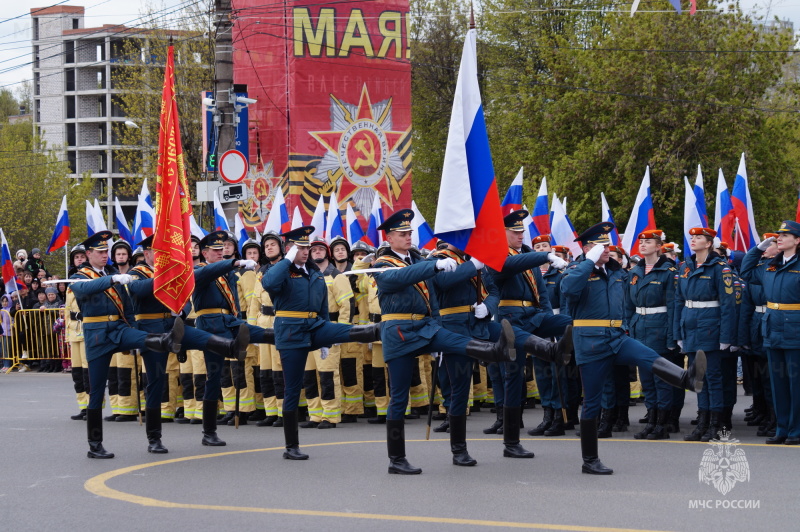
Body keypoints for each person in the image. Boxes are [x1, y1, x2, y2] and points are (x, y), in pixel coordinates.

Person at [370, 209, 519, 475]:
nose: (408, 237)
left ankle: (494, 350)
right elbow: (395, 281)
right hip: (400, 330)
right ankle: (396, 458)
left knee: (456, 341)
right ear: (389, 238)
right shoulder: (382, 262)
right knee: (399, 397)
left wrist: (436, 322)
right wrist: (432, 265)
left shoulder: (417, 258)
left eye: (409, 233)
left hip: (426, 326)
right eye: (402, 234)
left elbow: (433, 301)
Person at [561, 222, 706, 475]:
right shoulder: (577, 269)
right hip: (591, 341)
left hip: (616, 336)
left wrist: (626, 325)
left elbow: (626, 301)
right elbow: (568, 289)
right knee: (593, 402)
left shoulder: (618, 271)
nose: (606, 249)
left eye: (607, 245)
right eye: (600, 246)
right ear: (586, 248)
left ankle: (687, 379)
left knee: (648, 356)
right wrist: (587, 261)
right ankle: (590, 459)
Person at [262, 226, 382, 460]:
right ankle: (291, 446)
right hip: (290, 332)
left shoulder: (315, 272)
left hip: (315, 326)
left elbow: (322, 305)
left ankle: (379, 331)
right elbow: (269, 283)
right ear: (289, 249)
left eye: (307, 247)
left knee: (351, 331)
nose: (306, 251)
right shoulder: (282, 272)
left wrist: (326, 337)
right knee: (293, 389)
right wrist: (286, 260)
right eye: (300, 247)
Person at [127, 235, 251, 453]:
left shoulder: (167, 273)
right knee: (156, 383)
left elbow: (184, 297)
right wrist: (166, 277)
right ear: (146, 254)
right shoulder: (136, 273)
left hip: (175, 325)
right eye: (158, 253)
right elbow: (138, 290)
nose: (163, 257)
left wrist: (181, 311)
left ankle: (231, 347)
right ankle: (154, 438)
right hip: (151, 329)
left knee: (207, 340)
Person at [69, 231, 185, 459]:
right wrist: (112, 280)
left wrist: (131, 326)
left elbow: (127, 307)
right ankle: (95, 444)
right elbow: (83, 291)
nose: (105, 256)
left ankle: (166, 339)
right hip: (97, 335)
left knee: (145, 338)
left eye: (106, 252)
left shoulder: (113, 275)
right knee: (96, 391)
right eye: (100, 252)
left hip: (120, 329)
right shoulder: (80, 275)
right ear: (88, 254)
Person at [486, 210, 573, 458]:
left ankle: (591, 336)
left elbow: (541, 295)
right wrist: (543, 255)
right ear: (500, 233)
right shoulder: (497, 256)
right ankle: (511, 442)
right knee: (513, 379)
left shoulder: (527, 256)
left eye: (522, 230)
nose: (520, 234)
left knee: (575, 323)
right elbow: (506, 266)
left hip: (534, 315)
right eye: (514, 231)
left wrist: (550, 323)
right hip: (510, 320)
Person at [192, 231, 275, 447]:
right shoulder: (198, 271)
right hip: (209, 327)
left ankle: (293, 336)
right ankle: (209, 432)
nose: (221, 253)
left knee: (266, 334)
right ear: (204, 253)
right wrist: (234, 263)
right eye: (216, 250)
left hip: (230, 322)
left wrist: (237, 316)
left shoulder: (228, 273)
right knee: (214, 377)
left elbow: (234, 301)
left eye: (223, 250)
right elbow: (209, 273)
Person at [740, 222, 800, 444]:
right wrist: (757, 249)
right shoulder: (770, 267)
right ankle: (782, 429)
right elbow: (745, 271)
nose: (780, 238)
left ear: (797, 240)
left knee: (795, 384)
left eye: (786, 235)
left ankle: (796, 430)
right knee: (778, 384)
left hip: (795, 331)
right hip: (773, 330)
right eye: (778, 236)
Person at [676, 227, 737, 443]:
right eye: (692, 237)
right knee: (698, 378)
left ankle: (716, 425)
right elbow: (678, 301)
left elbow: (728, 304)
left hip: (711, 328)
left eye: (699, 237)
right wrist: (678, 332)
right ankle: (702, 423)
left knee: (713, 378)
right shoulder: (685, 266)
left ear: (709, 243)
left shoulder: (720, 268)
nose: (693, 240)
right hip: (691, 327)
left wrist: (726, 336)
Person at [624, 229, 679, 440]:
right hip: (639, 327)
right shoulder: (635, 272)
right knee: (646, 378)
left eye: (649, 242)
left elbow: (674, 306)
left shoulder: (669, 272)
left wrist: (672, 336)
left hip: (660, 327)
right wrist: (627, 329)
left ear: (658, 247)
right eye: (642, 241)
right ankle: (652, 420)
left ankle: (662, 424)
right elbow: (628, 305)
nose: (644, 244)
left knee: (661, 379)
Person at [248, 231, 286, 427]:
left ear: (281, 247)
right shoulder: (261, 271)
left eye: (273, 244)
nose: (269, 247)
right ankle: (270, 411)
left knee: (280, 370)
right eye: (266, 245)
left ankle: (283, 411)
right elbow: (254, 301)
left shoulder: (287, 268)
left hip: (280, 323)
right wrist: (252, 328)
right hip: (263, 324)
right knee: (266, 371)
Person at [65, 244, 89, 419]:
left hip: (87, 328)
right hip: (74, 331)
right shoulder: (71, 281)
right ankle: (82, 406)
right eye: (76, 258)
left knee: (89, 372)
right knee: (77, 372)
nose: (79, 260)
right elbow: (67, 309)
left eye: (82, 257)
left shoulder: (90, 278)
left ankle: (92, 405)